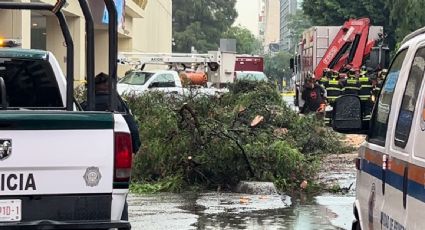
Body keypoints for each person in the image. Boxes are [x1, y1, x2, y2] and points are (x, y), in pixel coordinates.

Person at [82, 72, 141, 153]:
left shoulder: (84, 106)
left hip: (89, 149)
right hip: (114, 150)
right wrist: (135, 148)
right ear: (111, 87)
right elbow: (133, 129)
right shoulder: (119, 105)